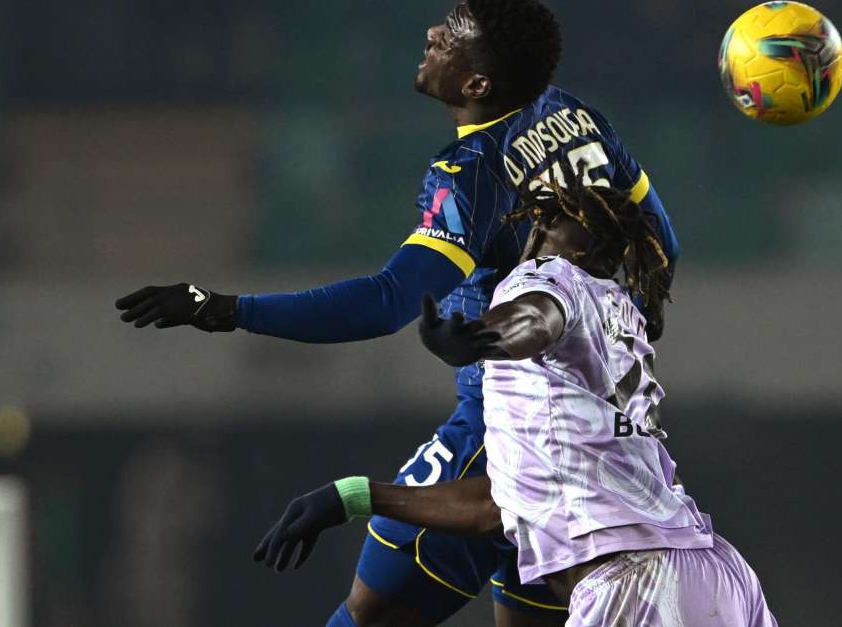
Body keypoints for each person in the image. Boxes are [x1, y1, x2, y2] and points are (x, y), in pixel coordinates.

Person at [115, 0, 679, 627]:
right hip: (593, 452)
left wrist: (224, 309)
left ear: (477, 84)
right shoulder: (578, 117)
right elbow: (662, 243)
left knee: (369, 616)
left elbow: (386, 302)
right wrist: (609, 344)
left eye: (451, 33)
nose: (432, 34)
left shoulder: (473, 170)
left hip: (497, 437)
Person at [253, 169, 777, 626]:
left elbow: (536, 316)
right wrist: (353, 496)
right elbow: (498, 506)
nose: (535, 227)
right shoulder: (620, 320)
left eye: (546, 220)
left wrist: (483, 337)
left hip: (633, 588)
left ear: (553, 234)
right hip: (720, 577)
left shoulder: (550, 274)